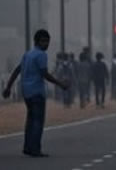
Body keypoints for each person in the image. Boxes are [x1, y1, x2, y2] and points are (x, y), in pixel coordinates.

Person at [2, 29, 70, 157]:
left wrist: (8, 87)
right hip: (37, 92)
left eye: (47, 41)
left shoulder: (28, 54)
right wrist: (61, 84)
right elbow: (44, 74)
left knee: (30, 120)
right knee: (38, 121)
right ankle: (35, 148)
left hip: (26, 92)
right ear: (37, 41)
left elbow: (17, 70)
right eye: (43, 41)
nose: (46, 44)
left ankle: (28, 147)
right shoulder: (41, 55)